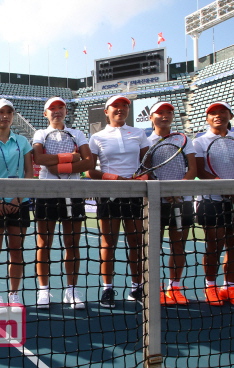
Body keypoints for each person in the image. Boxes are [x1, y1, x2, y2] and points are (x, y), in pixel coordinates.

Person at [86, 95, 149, 308]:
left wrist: (142, 177)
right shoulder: (97, 137)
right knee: (108, 243)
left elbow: (147, 164)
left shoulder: (139, 134)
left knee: (136, 242)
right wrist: (114, 178)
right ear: (106, 111)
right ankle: (108, 289)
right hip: (108, 193)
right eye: (115, 106)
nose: (120, 109)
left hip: (134, 194)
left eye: (124, 106)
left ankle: (136, 287)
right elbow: (89, 170)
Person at [32, 96, 94, 309]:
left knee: (72, 244)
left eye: (60, 108)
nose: (56, 111)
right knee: (44, 244)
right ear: (45, 113)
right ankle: (44, 291)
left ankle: (71, 291)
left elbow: (89, 162)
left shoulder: (78, 133)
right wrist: (72, 158)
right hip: (46, 193)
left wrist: (58, 165)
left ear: (66, 112)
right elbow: (39, 159)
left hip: (73, 192)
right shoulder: (40, 133)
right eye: (52, 109)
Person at [0, 99, 33, 311]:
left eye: (9, 112)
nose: (5, 115)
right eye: (1, 112)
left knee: (16, 250)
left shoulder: (23, 142)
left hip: (21, 203)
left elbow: (29, 172)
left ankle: (14, 294)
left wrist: (19, 198)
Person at [146, 102, 197, 306]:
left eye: (169, 112)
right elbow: (145, 169)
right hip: (155, 202)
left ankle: (174, 288)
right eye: (160, 113)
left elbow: (192, 168)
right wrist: (162, 191)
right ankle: (154, 287)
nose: (165, 116)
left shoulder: (184, 139)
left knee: (178, 246)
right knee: (153, 247)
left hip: (181, 201)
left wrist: (178, 190)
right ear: (151, 117)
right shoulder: (145, 140)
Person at [193, 101, 234, 306]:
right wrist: (224, 187)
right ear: (207, 119)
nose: (218, 116)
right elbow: (200, 171)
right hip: (211, 200)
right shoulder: (200, 141)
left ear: (230, 116)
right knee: (213, 247)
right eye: (213, 113)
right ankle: (210, 286)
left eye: (222, 112)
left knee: (233, 247)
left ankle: (230, 286)